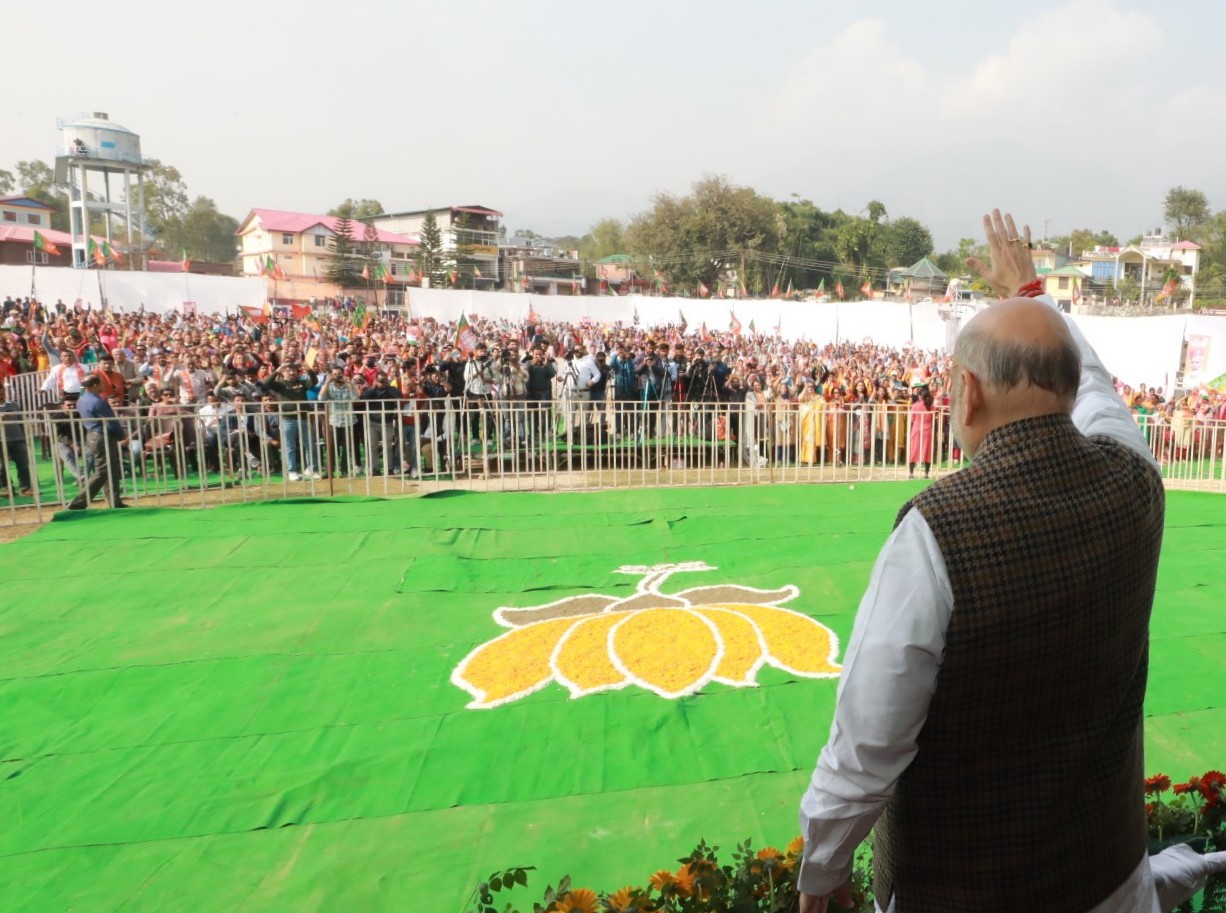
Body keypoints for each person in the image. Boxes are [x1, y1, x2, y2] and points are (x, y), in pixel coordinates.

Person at [797, 210, 1167, 913]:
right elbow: (1095, 385)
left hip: (966, 891)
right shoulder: (1137, 478)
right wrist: (1030, 293)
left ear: (965, 393)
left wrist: (821, 872)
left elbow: (866, 745)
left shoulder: (935, 533)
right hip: (1112, 876)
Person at [68, 373, 130, 509]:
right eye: (101, 383)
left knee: (111, 469)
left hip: (91, 435)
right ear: (95, 385)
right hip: (102, 436)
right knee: (102, 471)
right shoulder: (98, 401)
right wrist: (121, 435)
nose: (103, 385)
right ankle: (78, 502)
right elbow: (110, 422)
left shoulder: (81, 400)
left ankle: (115, 501)